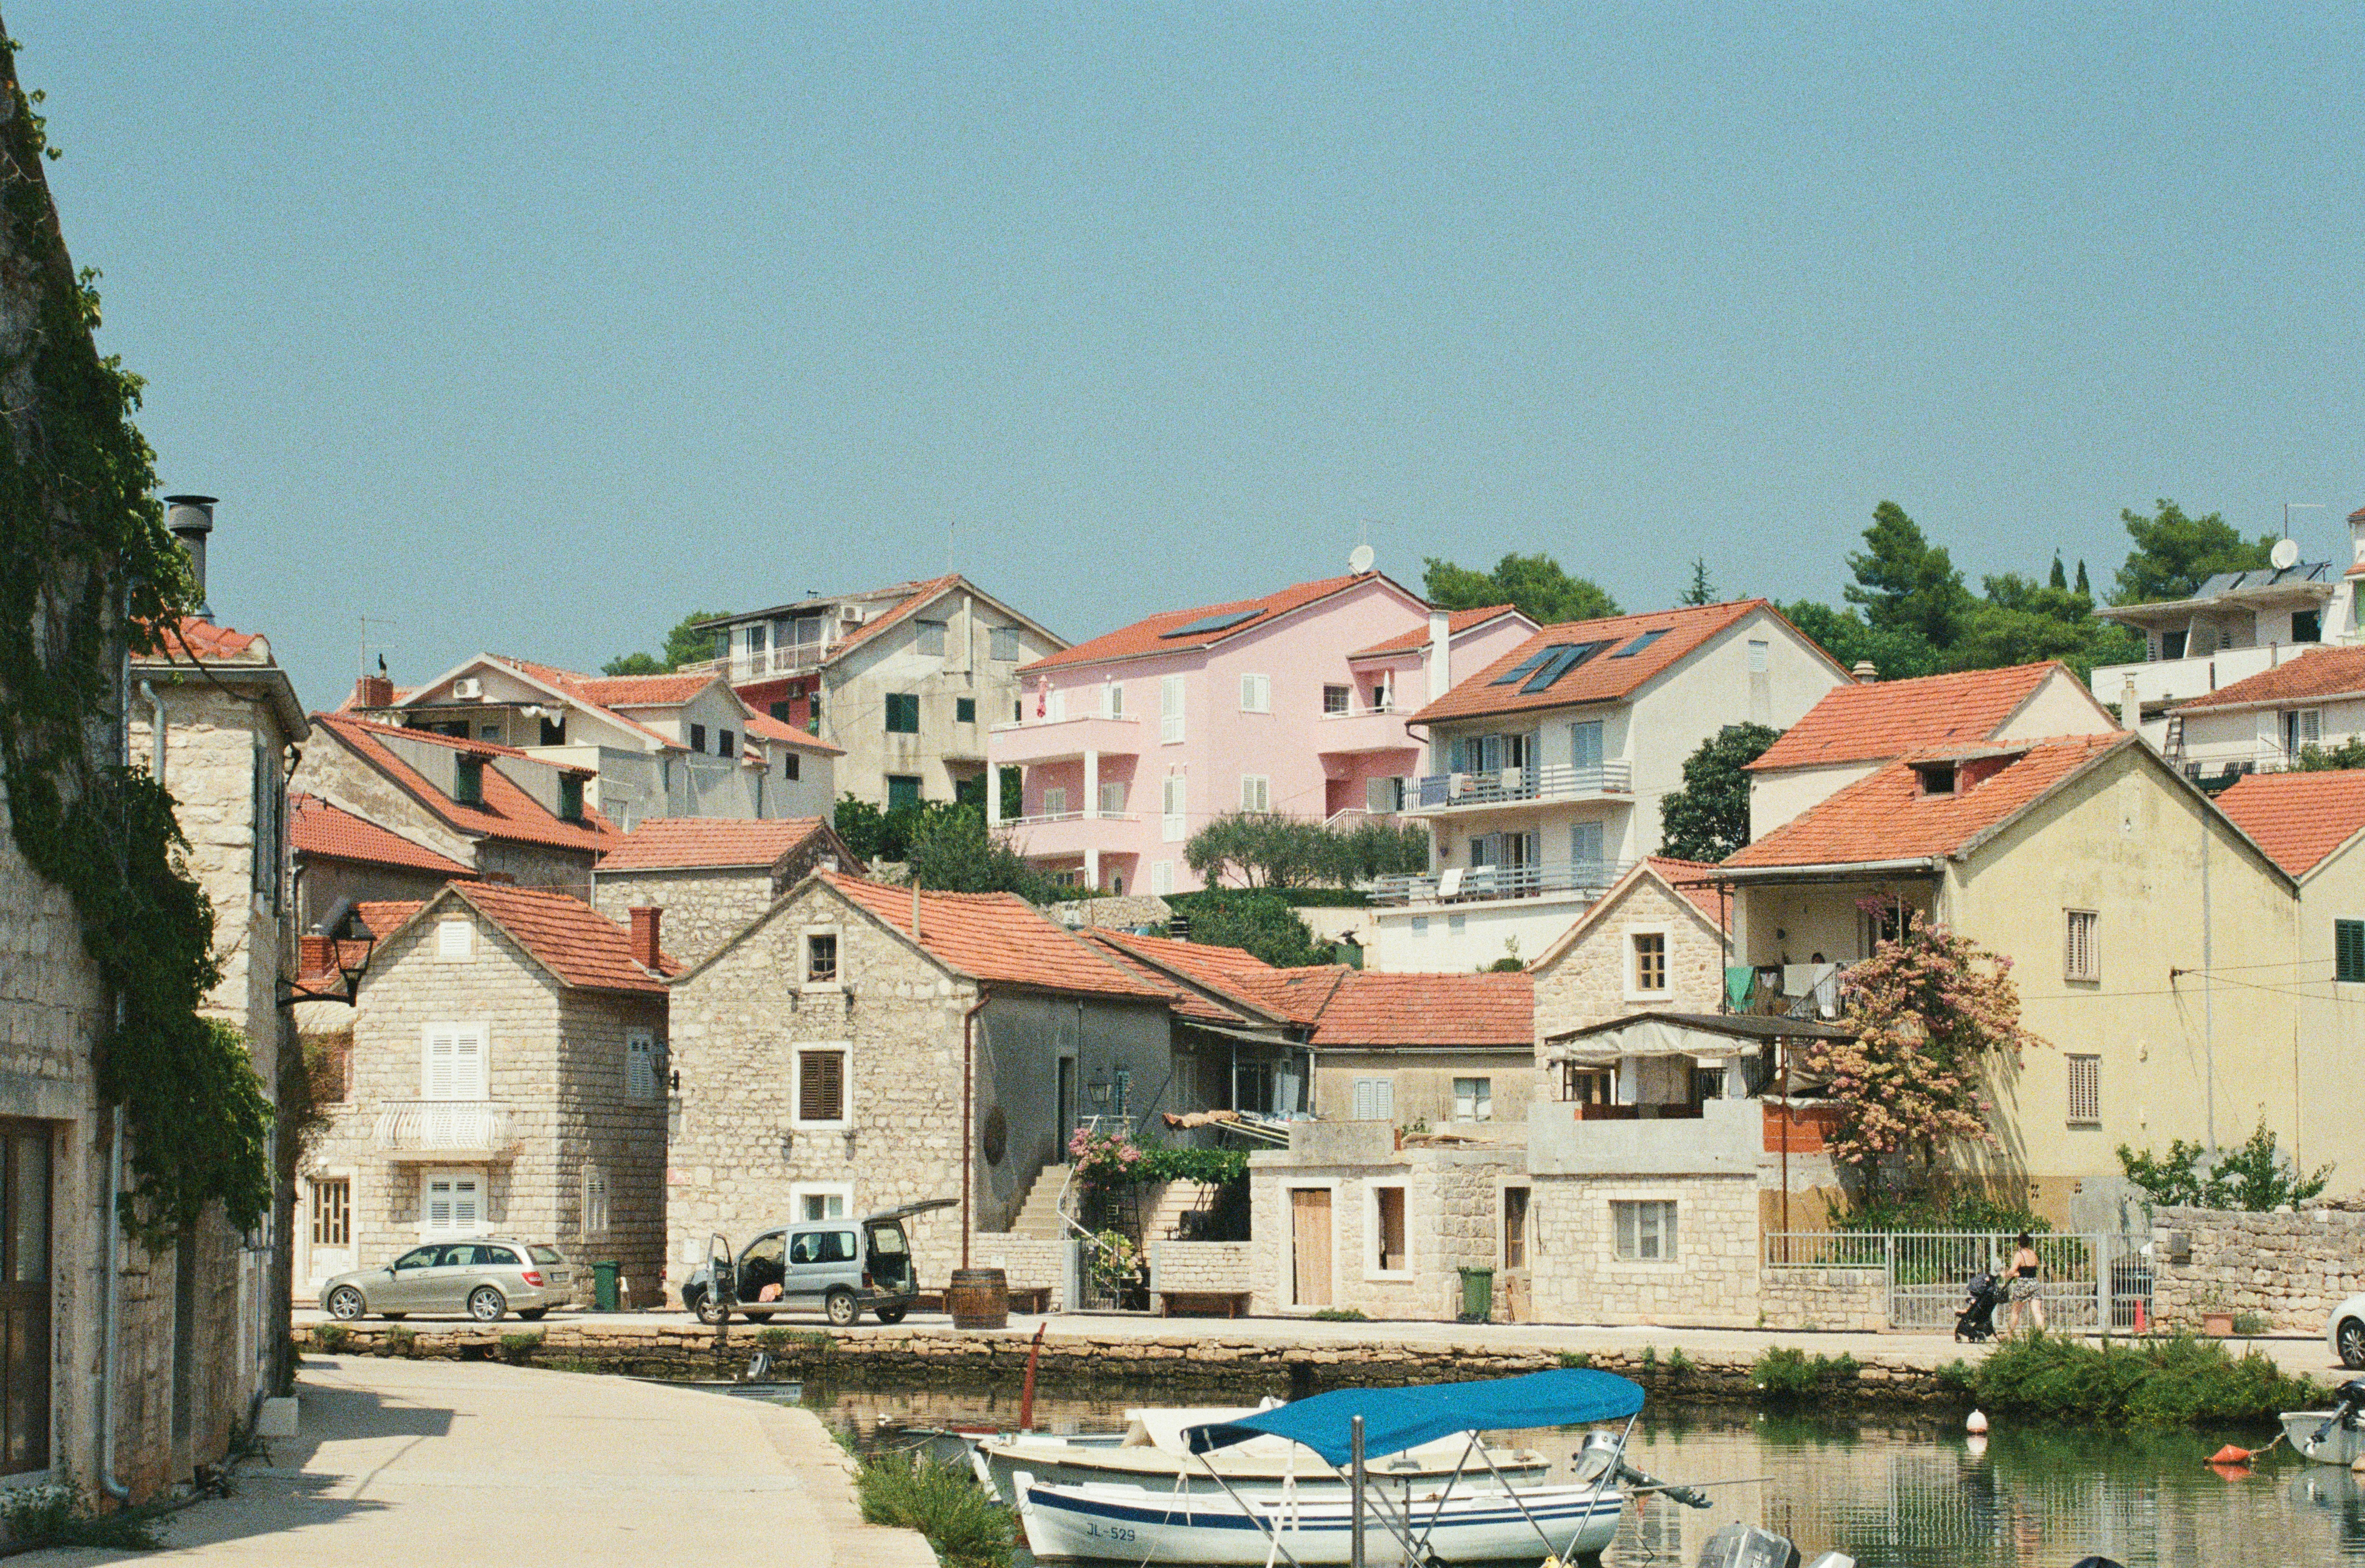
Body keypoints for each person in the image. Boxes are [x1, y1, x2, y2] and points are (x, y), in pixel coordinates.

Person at [2005, 1232, 2045, 1336]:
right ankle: (2041, 1335)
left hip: (2024, 1284)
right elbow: (2032, 1269)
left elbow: (2012, 1271)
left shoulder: (2019, 1255)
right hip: (2034, 1283)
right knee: (2037, 1312)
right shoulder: (2033, 1254)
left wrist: (2005, 1274)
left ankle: (2009, 1336)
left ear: (2019, 1243)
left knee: (2016, 1312)